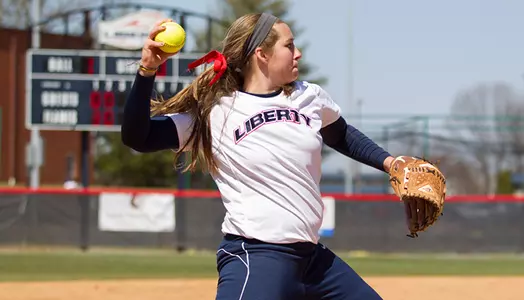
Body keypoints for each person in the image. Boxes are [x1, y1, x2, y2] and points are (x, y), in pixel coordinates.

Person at [122, 12, 394, 300]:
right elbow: (139, 137)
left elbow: (340, 134)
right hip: (258, 257)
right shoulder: (217, 113)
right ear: (262, 54)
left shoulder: (308, 97)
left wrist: (391, 163)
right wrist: (147, 71)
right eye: (289, 46)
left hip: (315, 262)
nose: (298, 53)